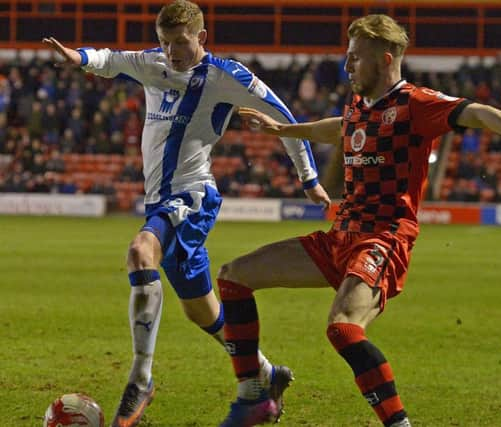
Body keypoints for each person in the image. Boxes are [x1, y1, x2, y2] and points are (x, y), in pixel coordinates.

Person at [216, 14, 501, 427]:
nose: (347, 65)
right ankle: (255, 395)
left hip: (383, 239)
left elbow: (476, 113)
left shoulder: (416, 104)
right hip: (340, 237)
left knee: (343, 328)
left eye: (355, 58)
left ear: (385, 60)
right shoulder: (358, 105)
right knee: (233, 277)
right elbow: (343, 128)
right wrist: (282, 128)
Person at [42, 1, 330, 426]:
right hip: (160, 200)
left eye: (180, 41)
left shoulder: (225, 76)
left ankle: (142, 377)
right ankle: (267, 373)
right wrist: (77, 57)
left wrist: (309, 180)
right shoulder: (153, 64)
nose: (172, 51)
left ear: (202, 37)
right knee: (200, 310)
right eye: (165, 41)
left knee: (141, 252)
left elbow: (282, 117)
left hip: (192, 197)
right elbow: (110, 60)